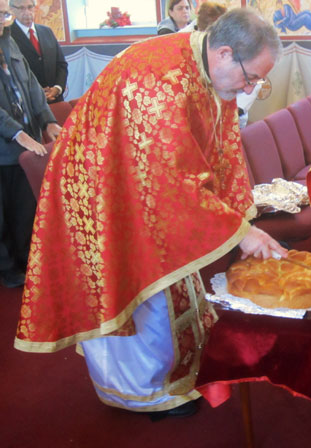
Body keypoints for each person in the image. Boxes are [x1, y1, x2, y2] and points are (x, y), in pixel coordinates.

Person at [14, 8, 286, 419]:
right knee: (137, 284)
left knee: (173, 281)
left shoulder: (210, 71)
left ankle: (173, 374)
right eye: (251, 78)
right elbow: (171, 180)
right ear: (225, 52)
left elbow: (217, 148)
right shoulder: (163, 82)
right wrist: (241, 232)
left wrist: (236, 218)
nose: (251, 88)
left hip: (141, 180)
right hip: (100, 188)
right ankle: (139, 391)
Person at [0, 1, 60, 288]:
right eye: (1, 15)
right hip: (5, 148)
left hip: (24, 147)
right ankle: (8, 270)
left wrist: (47, 119)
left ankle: (26, 263)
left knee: (26, 210)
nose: (5, 20)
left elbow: (32, 86)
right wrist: (15, 133)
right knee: (3, 217)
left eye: (5, 15)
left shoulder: (8, 43)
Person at [9, 0, 67, 104]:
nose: (27, 12)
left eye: (30, 7)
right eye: (21, 8)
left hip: (55, 99)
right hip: (29, 103)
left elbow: (61, 64)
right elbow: (11, 74)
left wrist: (57, 88)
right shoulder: (7, 36)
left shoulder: (47, 31)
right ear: (12, 9)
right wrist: (36, 93)